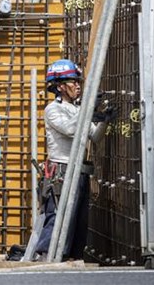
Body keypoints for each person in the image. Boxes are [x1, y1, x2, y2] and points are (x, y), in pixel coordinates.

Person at [34, 58, 113, 261]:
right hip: (62, 170)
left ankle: (72, 258)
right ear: (60, 87)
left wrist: (104, 120)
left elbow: (94, 136)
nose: (77, 85)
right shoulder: (52, 110)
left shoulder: (78, 110)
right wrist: (88, 109)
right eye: (72, 82)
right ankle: (47, 255)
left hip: (79, 171)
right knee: (58, 215)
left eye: (78, 82)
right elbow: (71, 130)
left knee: (78, 219)